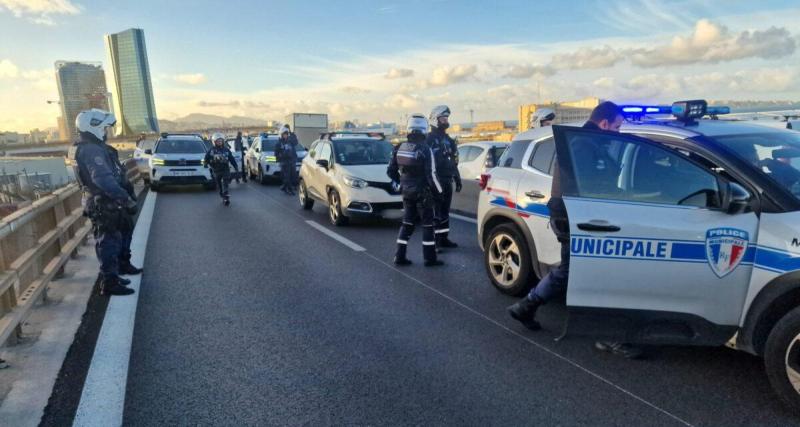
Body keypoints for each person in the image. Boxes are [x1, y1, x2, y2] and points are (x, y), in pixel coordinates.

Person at [507, 101, 643, 359]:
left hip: (578, 213)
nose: (618, 132)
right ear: (604, 123)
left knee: (572, 268)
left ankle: (526, 306)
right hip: (578, 215)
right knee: (597, 271)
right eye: (617, 126)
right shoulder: (583, 144)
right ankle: (605, 335)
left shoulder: (587, 141)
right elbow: (588, 183)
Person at [69, 109, 137, 296]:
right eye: (104, 128)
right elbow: (102, 178)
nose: (106, 131)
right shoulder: (91, 150)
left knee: (121, 232)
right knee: (108, 241)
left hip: (105, 200)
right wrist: (125, 198)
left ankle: (119, 269)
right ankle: (109, 282)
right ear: (94, 127)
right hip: (103, 201)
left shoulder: (86, 147)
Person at [388, 114, 444, 267]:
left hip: (406, 192)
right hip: (423, 193)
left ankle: (399, 256)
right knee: (428, 225)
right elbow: (432, 175)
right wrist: (439, 193)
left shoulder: (399, 148)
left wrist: (402, 183)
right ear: (424, 130)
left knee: (407, 223)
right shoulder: (426, 149)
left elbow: (390, 171)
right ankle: (430, 259)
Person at [105, 143, 143, 281]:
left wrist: (130, 195)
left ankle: (123, 265)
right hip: (111, 202)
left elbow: (122, 177)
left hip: (120, 200)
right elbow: (108, 181)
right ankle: (113, 275)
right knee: (114, 238)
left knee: (126, 231)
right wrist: (126, 198)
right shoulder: (96, 153)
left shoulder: (107, 151)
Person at [427, 105, 462, 249]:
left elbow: (453, 161)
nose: (446, 121)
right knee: (436, 211)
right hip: (436, 181)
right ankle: (435, 241)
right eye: (443, 118)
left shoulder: (449, 140)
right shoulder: (428, 139)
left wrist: (457, 177)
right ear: (435, 120)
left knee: (445, 211)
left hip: (447, 180)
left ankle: (443, 238)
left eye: (447, 118)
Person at [204, 133, 238, 206]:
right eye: (218, 141)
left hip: (225, 168)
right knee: (219, 183)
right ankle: (222, 193)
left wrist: (235, 166)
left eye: (221, 141)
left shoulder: (226, 150)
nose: (219, 142)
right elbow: (206, 158)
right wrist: (205, 164)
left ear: (223, 141)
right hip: (216, 170)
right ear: (214, 142)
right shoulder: (211, 150)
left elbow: (231, 158)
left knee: (225, 181)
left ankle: (226, 194)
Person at [275, 125, 299, 194]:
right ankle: (289, 189)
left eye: (286, 134)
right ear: (281, 135)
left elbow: (295, 142)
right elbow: (276, 153)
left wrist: (291, 133)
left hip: (291, 161)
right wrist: (280, 158)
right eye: (284, 134)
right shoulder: (279, 143)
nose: (285, 135)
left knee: (293, 176)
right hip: (284, 162)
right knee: (287, 177)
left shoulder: (290, 141)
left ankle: (285, 187)